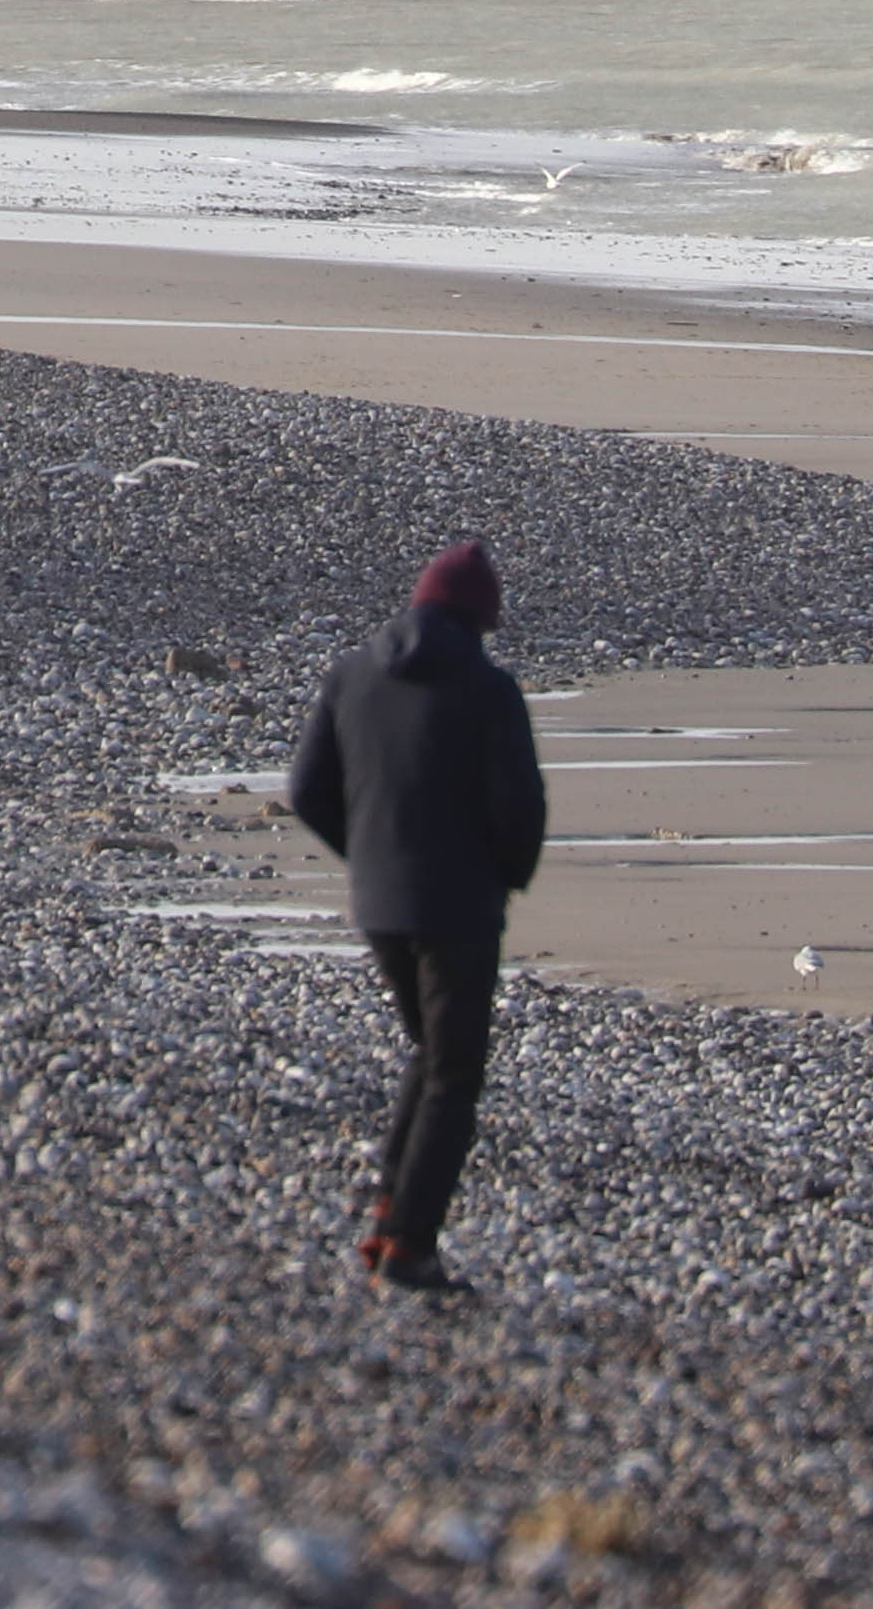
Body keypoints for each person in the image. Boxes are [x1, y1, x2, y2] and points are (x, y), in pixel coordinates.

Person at [286, 536, 548, 1293]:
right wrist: (507, 876)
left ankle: (386, 1213)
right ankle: (409, 1246)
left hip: (380, 904)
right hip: (458, 906)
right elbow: (519, 806)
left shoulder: (350, 674)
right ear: (478, 615)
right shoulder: (487, 687)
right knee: (453, 1072)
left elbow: (306, 789)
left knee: (432, 1055)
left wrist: (365, 856)